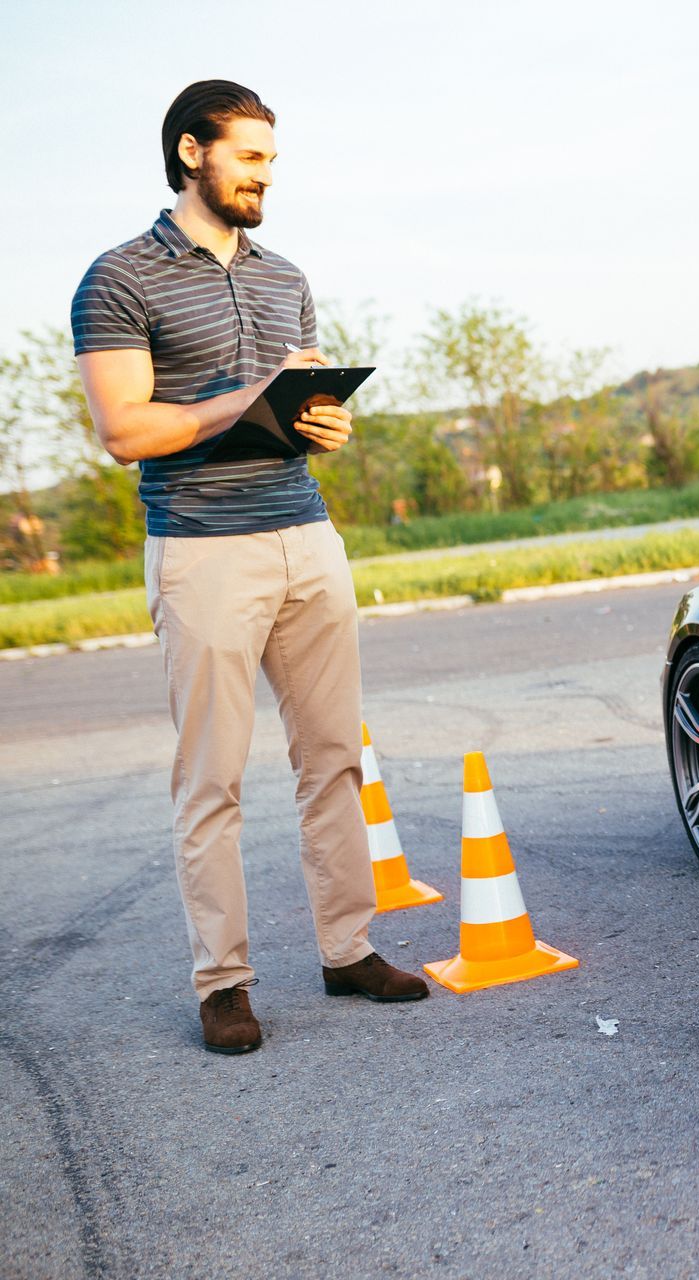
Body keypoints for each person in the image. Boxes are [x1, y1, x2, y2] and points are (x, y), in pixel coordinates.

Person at [71, 80, 425, 1055]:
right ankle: (223, 981)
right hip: (200, 548)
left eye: (273, 158)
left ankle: (348, 947)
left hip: (305, 537)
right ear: (193, 152)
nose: (268, 175)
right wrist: (243, 398)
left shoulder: (284, 276)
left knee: (334, 757)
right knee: (213, 778)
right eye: (251, 156)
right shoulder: (120, 279)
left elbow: (295, 404)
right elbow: (124, 429)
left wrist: (325, 422)